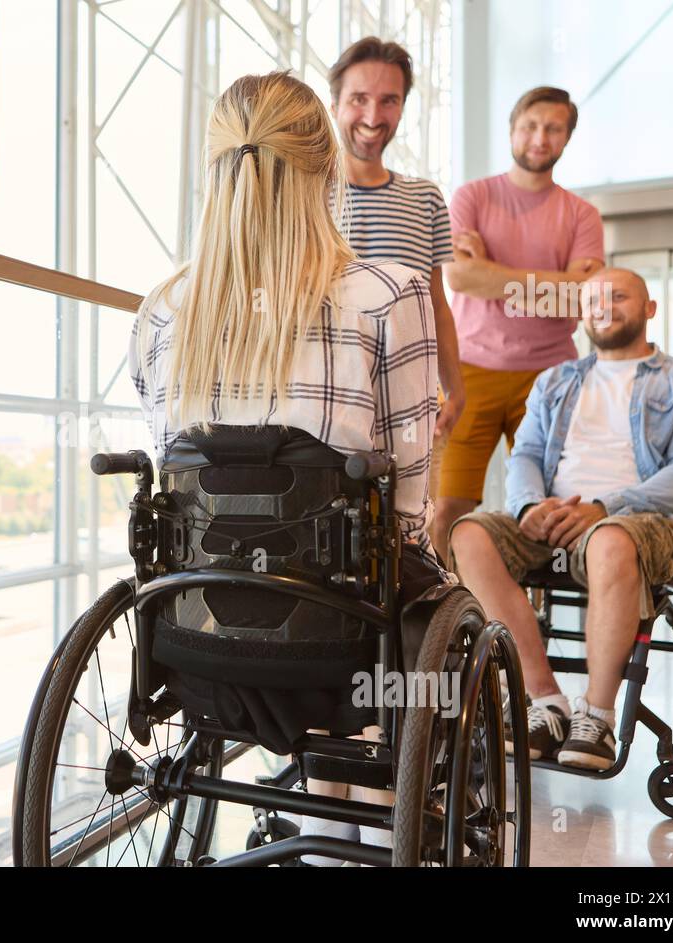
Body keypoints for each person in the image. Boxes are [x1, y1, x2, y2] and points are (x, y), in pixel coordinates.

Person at [127, 70, 439, 864]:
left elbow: (172, 460)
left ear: (213, 171)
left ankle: (320, 832)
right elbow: (409, 472)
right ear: (327, 172)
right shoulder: (389, 292)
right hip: (339, 645)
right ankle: (369, 824)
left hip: (197, 634)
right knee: (402, 585)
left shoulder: (164, 308)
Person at [448, 269, 673, 770]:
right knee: (468, 534)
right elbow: (526, 454)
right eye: (594, 299)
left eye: (618, 296)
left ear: (650, 309)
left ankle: (596, 716)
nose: (604, 306)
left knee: (609, 540)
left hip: (646, 519)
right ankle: (545, 703)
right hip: (553, 517)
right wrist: (529, 507)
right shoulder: (555, 380)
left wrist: (604, 507)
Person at [433, 86, 606, 562]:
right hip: (470, 370)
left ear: (566, 138)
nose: (540, 137)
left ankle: (526, 601)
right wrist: (553, 284)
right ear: (512, 130)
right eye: (530, 126)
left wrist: (492, 273)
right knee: (445, 507)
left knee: (548, 506)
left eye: (553, 128)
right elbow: (460, 277)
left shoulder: (582, 215)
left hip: (551, 376)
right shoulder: (472, 196)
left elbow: (582, 295)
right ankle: (444, 601)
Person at [327, 36, 464, 451]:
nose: (373, 116)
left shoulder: (426, 198)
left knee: (418, 498)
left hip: (413, 405)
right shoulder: (305, 198)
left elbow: (436, 303)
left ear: (402, 108)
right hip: (327, 403)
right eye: (359, 99)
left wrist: (455, 388)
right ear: (334, 105)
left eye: (389, 100)